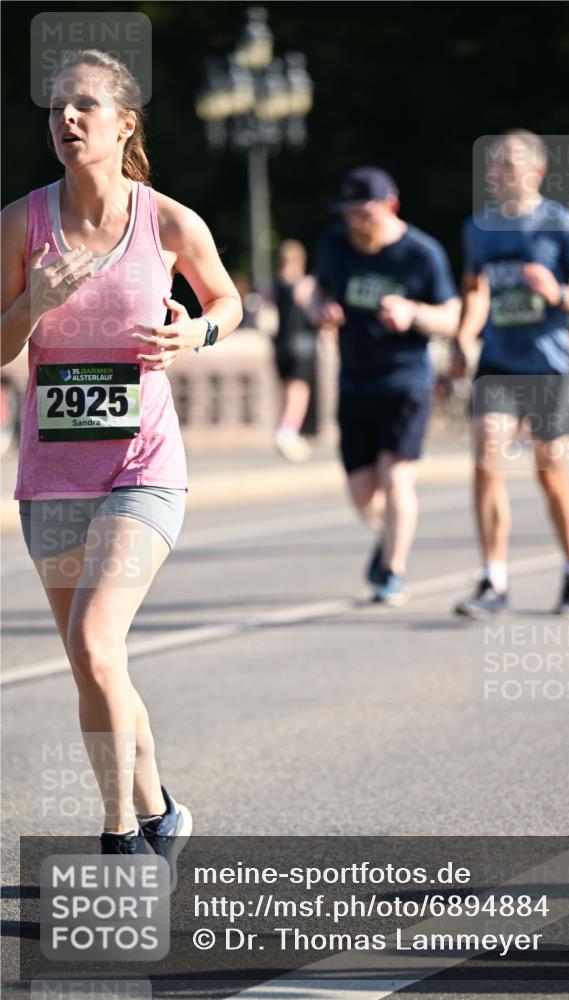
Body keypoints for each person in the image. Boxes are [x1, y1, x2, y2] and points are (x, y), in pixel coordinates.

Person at [0, 50, 243, 858]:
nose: (66, 120)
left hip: (142, 468)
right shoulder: (20, 223)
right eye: (56, 108)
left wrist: (196, 330)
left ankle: (120, 836)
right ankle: (161, 807)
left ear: (124, 123)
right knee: (95, 665)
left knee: (97, 645)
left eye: (84, 107)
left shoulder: (168, 221)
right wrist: (35, 303)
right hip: (51, 473)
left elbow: (227, 299)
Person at [452, 129, 569, 617]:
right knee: (486, 458)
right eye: (494, 163)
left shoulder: (562, 226)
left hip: (550, 366)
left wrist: (560, 295)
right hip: (499, 363)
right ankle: (493, 581)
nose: (498, 171)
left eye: (509, 163)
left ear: (537, 171)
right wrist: (464, 336)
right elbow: (475, 288)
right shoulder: (478, 228)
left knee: (549, 471)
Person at [302, 167, 461, 604]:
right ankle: (390, 536)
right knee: (360, 491)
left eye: (364, 213)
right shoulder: (335, 243)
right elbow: (316, 292)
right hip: (354, 380)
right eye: (349, 213)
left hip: (406, 380)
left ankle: (393, 571)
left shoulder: (422, 253)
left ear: (390, 206)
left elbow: (451, 317)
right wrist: (323, 309)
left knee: (396, 478)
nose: (355, 222)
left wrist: (413, 314)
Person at [272, 240, 319, 462]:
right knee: (299, 390)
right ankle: (288, 431)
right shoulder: (304, 284)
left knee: (286, 387)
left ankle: (287, 428)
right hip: (302, 344)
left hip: (281, 344)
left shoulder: (275, 285)